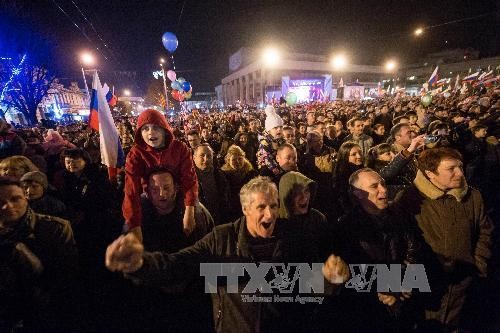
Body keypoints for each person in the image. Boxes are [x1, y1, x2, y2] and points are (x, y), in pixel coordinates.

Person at [106, 176, 351, 333]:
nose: (270, 215)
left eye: (274, 206)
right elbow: (178, 265)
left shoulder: (296, 238)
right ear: (245, 209)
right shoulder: (221, 239)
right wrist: (139, 264)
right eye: (261, 207)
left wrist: (330, 279)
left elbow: (309, 285)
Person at [395, 147, 494, 332]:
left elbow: (485, 232)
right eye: (451, 169)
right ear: (431, 174)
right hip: (426, 284)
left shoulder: (473, 196)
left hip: (463, 281)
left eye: (460, 166)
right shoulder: (410, 199)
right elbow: (401, 242)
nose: (460, 173)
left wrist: (478, 264)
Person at [336, 168, 421, 332]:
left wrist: (405, 286)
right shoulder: (346, 227)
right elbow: (352, 272)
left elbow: (414, 250)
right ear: (358, 193)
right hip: (368, 311)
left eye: (383, 183)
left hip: (403, 302)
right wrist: (386, 290)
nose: (383, 189)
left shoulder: (400, 215)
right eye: (374, 186)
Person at [0, 177, 79, 332]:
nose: (7, 206)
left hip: (45, 312)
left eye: (15, 199)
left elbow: (66, 277)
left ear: (26, 198)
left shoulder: (55, 228)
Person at [122, 109, 199, 242]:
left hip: (178, 197)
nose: (151, 132)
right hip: (149, 199)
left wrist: (190, 210)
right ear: (139, 133)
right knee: (126, 231)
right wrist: (134, 224)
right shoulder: (136, 154)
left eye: (156, 127)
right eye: (145, 129)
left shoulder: (180, 149)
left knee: (201, 218)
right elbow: (131, 190)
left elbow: (189, 180)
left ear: (164, 129)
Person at [193, 144, 230, 225]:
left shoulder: (219, 175)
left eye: (209, 156)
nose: (206, 159)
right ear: (194, 158)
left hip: (218, 219)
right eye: (202, 156)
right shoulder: (189, 178)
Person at [220, 145, 257, 222]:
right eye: (233, 159)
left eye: (240, 159)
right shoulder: (223, 175)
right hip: (231, 211)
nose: (237, 162)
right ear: (228, 161)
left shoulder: (251, 173)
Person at [332, 141, 364, 213]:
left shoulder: (363, 170)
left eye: (360, 152)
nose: (359, 156)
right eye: (354, 154)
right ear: (345, 156)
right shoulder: (342, 175)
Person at [257, 105, 286, 175]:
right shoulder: (264, 142)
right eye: (275, 128)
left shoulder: (282, 140)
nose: (279, 129)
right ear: (269, 130)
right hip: (269, 170)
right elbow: (267, 158)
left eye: (281, 127)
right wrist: (277, 170)